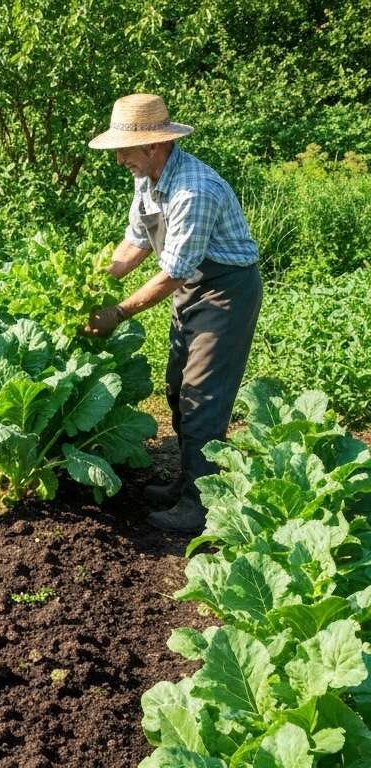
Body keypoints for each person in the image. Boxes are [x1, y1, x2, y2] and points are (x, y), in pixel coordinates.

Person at [83, 93, 262, 533]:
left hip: (224, 294)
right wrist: (94, 281)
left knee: (203, 399)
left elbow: (173, 273)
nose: (119, 158)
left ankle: (201, 507)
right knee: (177, 389)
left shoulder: (193, 189)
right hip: (193, 287)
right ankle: (188, 480)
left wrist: (118, 313)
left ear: (153, 145)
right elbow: (136, 240)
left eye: (124, 150)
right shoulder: (147, 177)